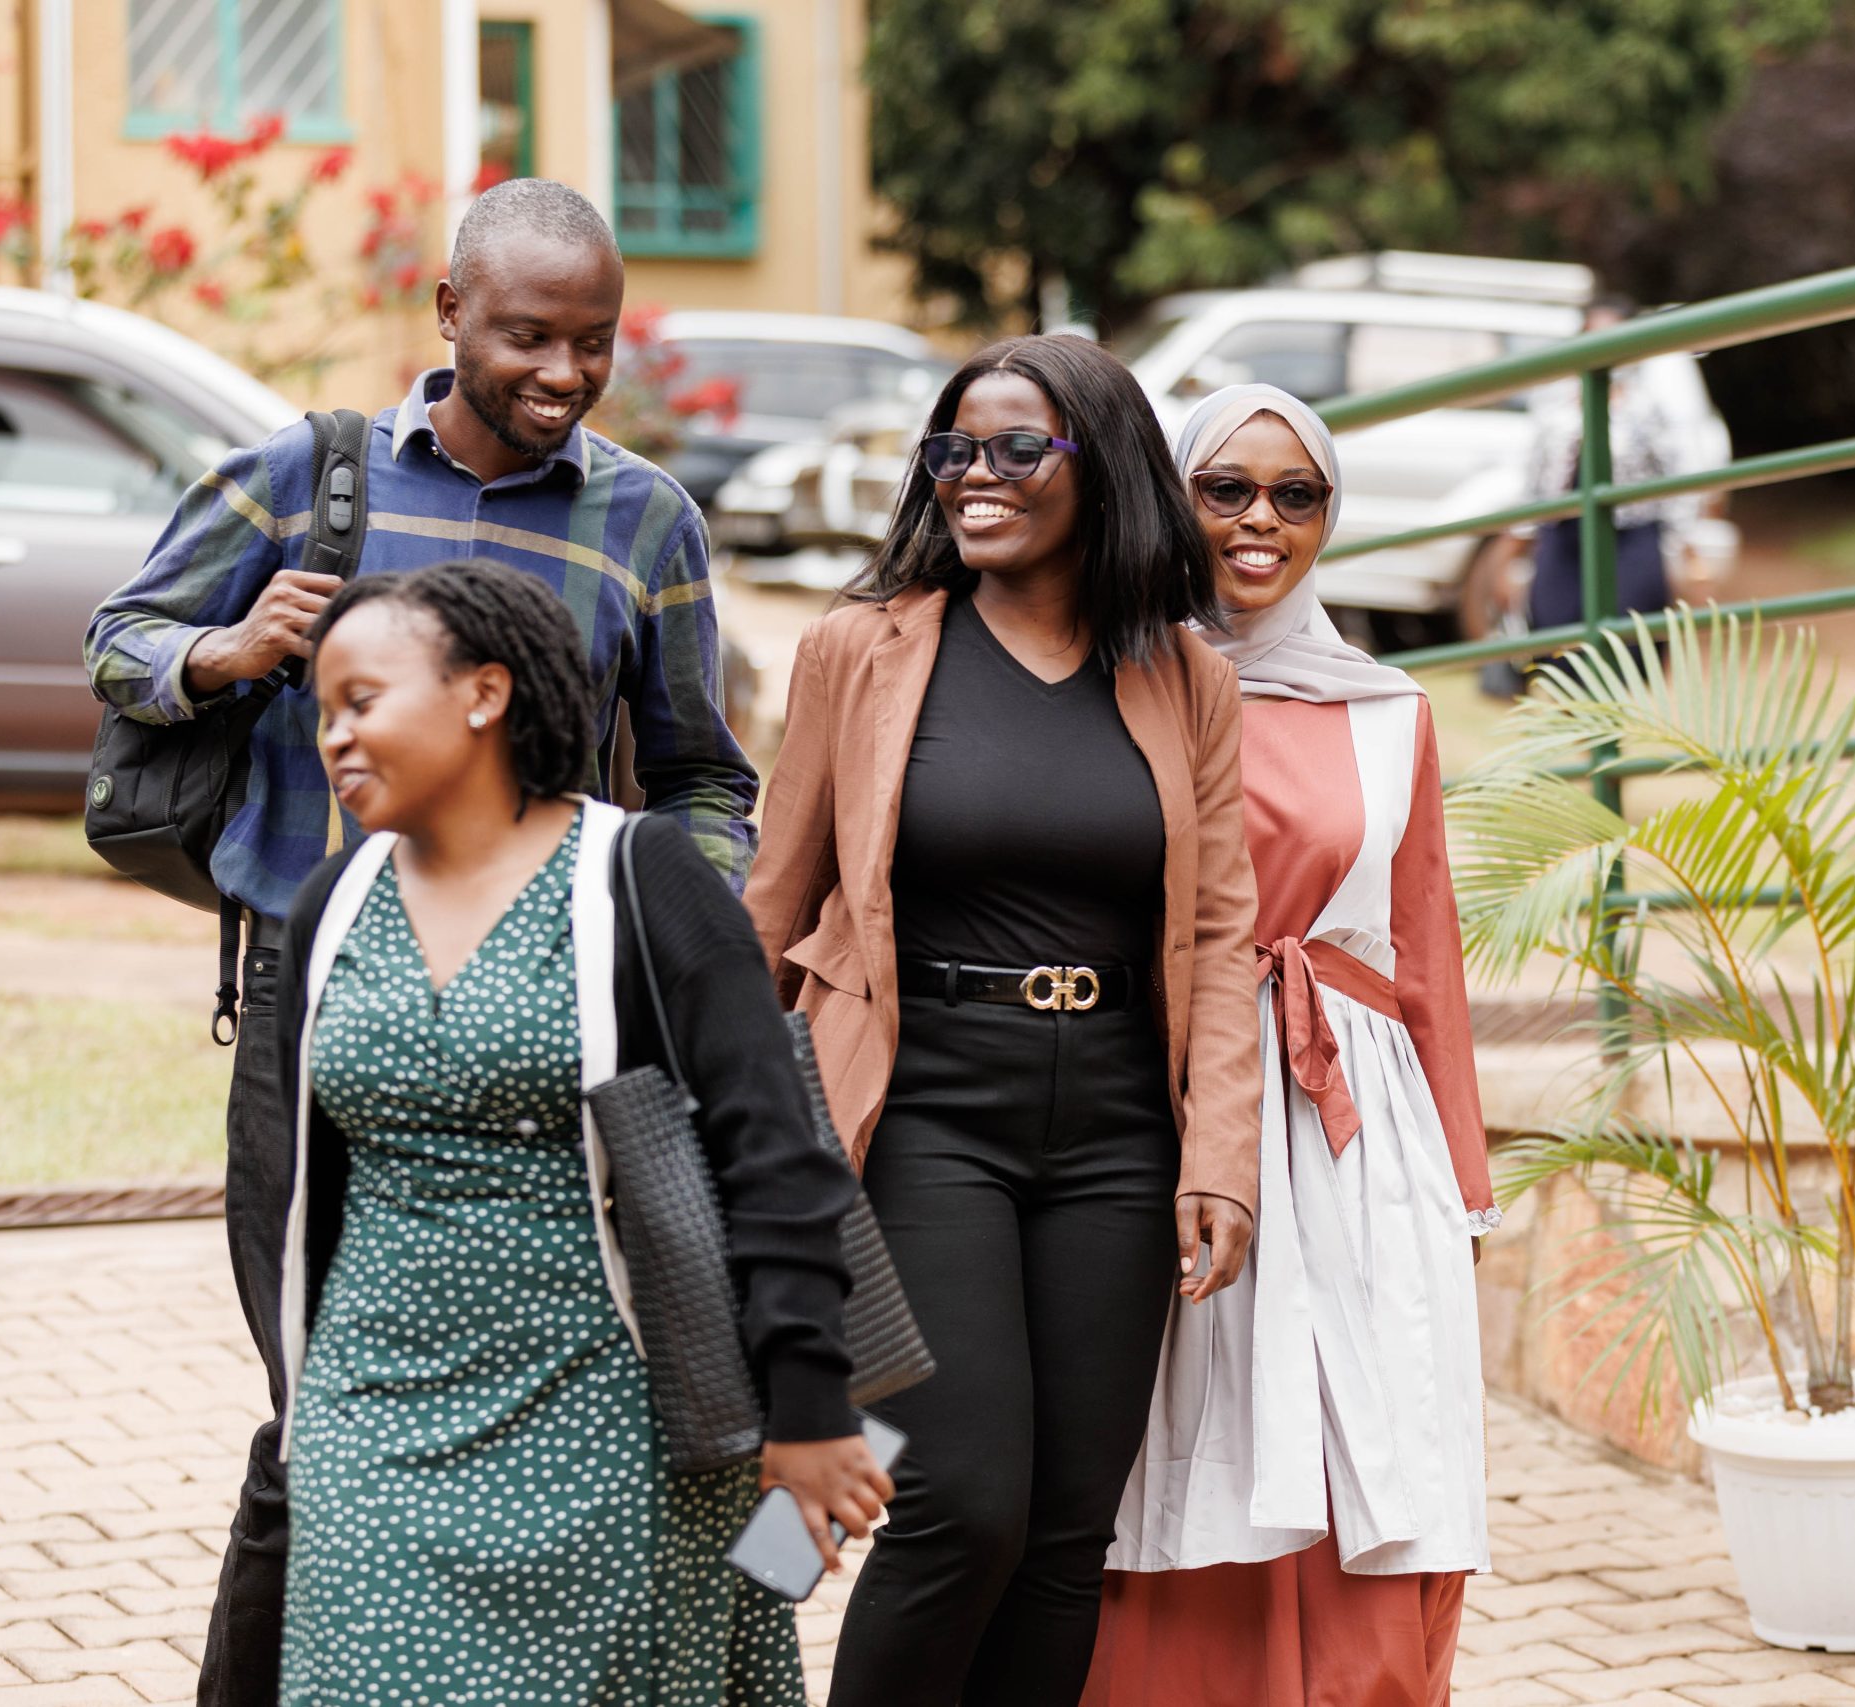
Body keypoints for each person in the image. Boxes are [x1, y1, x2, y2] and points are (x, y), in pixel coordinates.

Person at [80, 178, 759, 1707]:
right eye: (528, 335)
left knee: (598, 1390)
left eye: (595, 342)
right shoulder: (301, 477)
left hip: (558, 1019)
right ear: (448, 315)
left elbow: (706, 769)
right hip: (321, 1007)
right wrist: (231, 649)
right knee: (312, 1408)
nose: (565, 374)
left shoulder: (644, 517)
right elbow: (116, 635)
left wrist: (674, 918)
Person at [744, 334, 1263, 1707]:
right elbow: (771, 897)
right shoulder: (862, 651)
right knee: (958, 1499)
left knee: (1063, 1533)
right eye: (953, 450)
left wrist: (1219, 1153)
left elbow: (1218, 930)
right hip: (923, 1107)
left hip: (1115, 1124)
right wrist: (724, 1136)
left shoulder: (1182, 672)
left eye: (1016, 447)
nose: (975, 475)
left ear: (1103, 468)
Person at [270, 558, 888, 1704]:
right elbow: (283, 1178)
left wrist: (807, 1403)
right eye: (322, 714)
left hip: (612, 1402)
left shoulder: (639, 875)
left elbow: (772, 1145)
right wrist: (296, 1395)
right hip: (373, 1403)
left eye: (362, 700)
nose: (334, 738)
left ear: (484, 693)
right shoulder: (334, 901)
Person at [1086, 384, 1500, 1707]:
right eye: (1225, 488)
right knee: (1186, 1423)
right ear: (1172, 497)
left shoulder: (1391, 710)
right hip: (1181, 1098)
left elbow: (1419, 948)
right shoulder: (1116, 678)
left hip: (1351, 1125)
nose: (1261, 520)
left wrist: (1462, 1184)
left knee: (1368, 1427)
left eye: (1297, 493)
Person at [1476, 298, 1697, 696]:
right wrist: (1516, 545)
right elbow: (1537, 479)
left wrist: (1683, 543)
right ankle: (1577, 733)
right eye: (1593, 337)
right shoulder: (1556, 402)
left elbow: (1673, 476)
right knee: (1555, 629)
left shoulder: (1647, 406)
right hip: (1565, 532)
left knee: (1626, 640)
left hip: (1630, 533)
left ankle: (1605, 738)